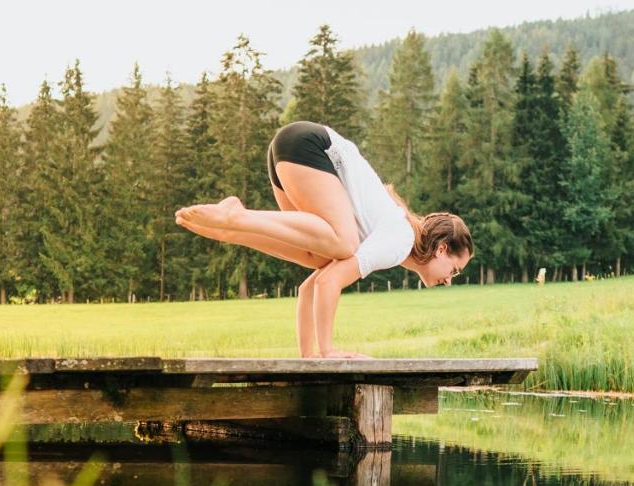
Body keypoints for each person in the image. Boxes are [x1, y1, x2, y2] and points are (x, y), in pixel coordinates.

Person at [174, 121, 473, 359]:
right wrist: (329, 352)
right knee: (344, 244)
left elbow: (311, 287)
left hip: (291, 149)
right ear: (442, 249)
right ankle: (237, 216)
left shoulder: (393, 232)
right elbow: (330, 284)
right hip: (311, 147)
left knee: (319, 256)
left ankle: (232, 230)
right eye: (454, 270)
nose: (449, 280)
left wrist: (311, 356)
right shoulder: (400, 240)